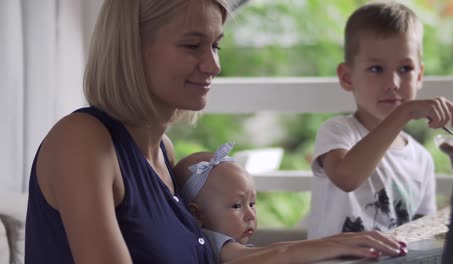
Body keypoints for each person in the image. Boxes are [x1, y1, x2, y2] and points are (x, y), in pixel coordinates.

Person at [23, 0, 404, 263]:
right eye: (192, 45)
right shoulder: (83, 141)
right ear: (131, 49)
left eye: (216, 45)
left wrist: (325, 247)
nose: (213, 65)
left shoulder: (164, 152)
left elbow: (214, 254)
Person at [307, 1, 453, 240]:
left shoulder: (422, 159)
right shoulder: (338, 132)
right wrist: (404, 112)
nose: (393, 83)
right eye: (377, 69)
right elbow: (348, 177)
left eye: (405, 69)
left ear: (419, 76)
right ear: (347, 77)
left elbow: (423, 234)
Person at [175, 142, 406, 263]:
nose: (250, 215)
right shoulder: (213, 242)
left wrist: (333, 242)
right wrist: (329, 247)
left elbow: (273, 250)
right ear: (197, 214)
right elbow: (273, 254)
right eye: (237, 205)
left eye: (252, 204)